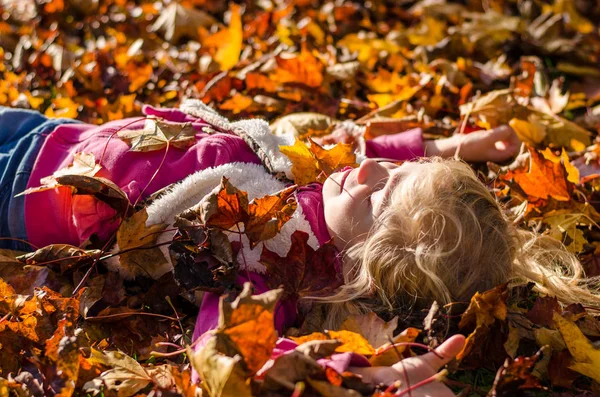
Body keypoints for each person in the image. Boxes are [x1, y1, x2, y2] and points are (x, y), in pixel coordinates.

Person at [0, 101, 591, 394]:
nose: (362, 173)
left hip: (25, 195)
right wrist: (457, 144)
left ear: (365, 264)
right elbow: (349, 147)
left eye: (375, 196)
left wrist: (360, 374)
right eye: (385, 169)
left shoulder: (271, 270)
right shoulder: (323, 185)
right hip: (53, 132)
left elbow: (231, 346)